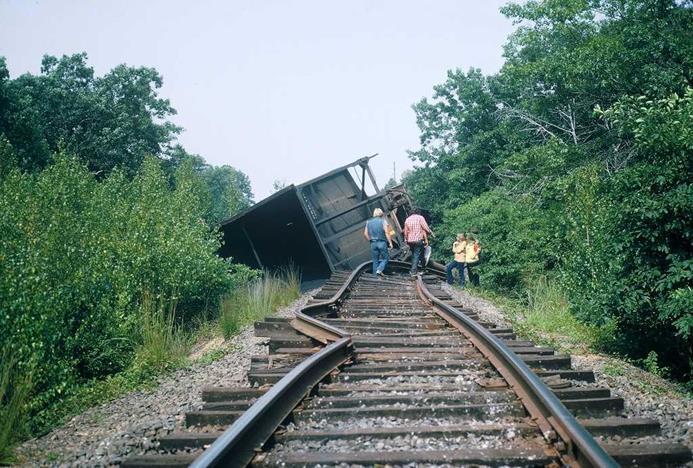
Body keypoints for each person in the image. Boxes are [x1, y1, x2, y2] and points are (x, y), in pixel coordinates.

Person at [363, 208, 393, 276]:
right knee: (386, 258)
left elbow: (365, 234)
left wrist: (370, 240)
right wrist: (390, 242)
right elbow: (386, 232)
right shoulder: (383, 221)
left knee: (375, 261)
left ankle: (375, 277)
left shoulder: (368, 222)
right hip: (381, 242)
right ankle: (379, 269)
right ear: (381, 213)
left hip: (373, 243)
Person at [403, 209, 432, 276]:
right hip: (418, 240)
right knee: (416, 255)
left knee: (418, 254)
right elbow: (425, 227)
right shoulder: (420, 218)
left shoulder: (407, 219)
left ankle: (423, 268)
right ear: (418, 212)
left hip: (410, 241)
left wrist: (406, 239)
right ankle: (413, 272)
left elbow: (405, 232)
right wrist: (429, 232)